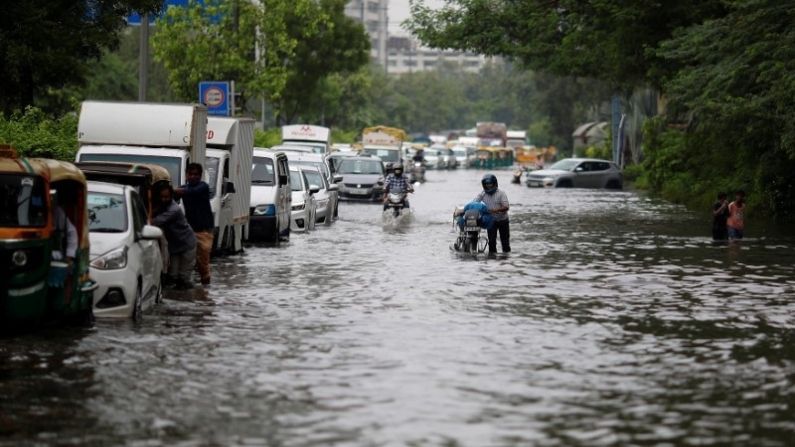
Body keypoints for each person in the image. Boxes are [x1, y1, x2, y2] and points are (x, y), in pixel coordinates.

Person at [175, 163, 214, 285]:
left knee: (203, 263)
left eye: (196, 174)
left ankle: (205, 288)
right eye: (190, 174)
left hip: (204, 231)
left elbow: (191, 192)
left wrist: (174, 190)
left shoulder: (203, 187)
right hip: (189, 230)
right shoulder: (184, 189)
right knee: (186, 259)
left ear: (200, 176)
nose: (193, 177)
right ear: (186, 175)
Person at [152, 185, 197, 290]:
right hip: (175, 246)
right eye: (162, 197)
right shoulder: (161, 206)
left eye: (166, 197)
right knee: (172, 275)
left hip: (187, 244)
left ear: (171, 196)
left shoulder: (174, 209)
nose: (164, 199)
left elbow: (156, 221)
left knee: (183, 278)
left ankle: (187, 301)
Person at [475, 173, 510, 254]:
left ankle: (506, 260)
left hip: (503, 220)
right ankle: (492, 261)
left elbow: (506, 207)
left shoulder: (501, 193)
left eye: (490, 183)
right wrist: (465, 209)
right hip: (491, 221)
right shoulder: (482, 193)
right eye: (486, 184)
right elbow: (475, 202)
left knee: (505, 243)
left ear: (494, 183)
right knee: (491, 242)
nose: (488, 186)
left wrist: (494, 210)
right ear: (484, 185)